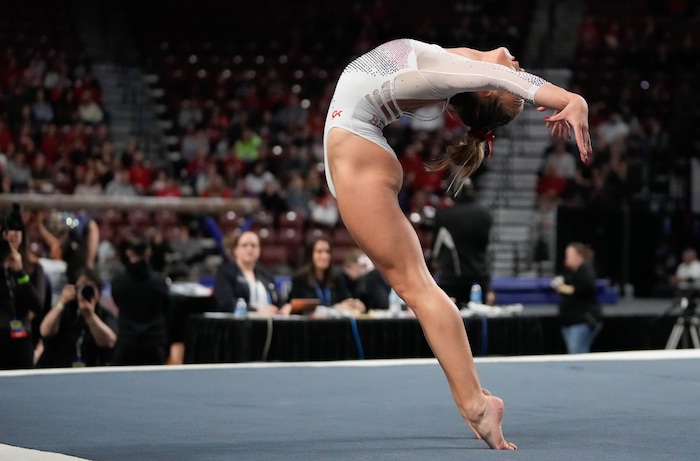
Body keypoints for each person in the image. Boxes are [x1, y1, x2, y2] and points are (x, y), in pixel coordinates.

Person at [323, 38, 593, 449]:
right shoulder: (453, 68)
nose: (516, 64)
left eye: (511, 79)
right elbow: (492, 71)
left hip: (356, 151)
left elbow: (500, 75)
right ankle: (473, 397)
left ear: (486, 90)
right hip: (356, 147)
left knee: (417, 288)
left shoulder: (450, 71)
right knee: (417, 287)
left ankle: (475, 404)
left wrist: (571, 98)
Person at [431, 178, 495, 305]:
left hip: (452, 280)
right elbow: (486, 243)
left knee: (451, 321)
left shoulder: (445, 216)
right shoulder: (485, 213)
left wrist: (435, 261)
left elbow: (436, 250)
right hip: (479, 277)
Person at [38, 267, 117, 368]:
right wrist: (61, 302)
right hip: (60, 367)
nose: (86, 291)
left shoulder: (104, 315)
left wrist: (90, 315)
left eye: (91, 287)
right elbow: (45, 331)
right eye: (82, 286)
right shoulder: (64, 310)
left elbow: (110, 341)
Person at [110, 235, 170, 366]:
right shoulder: (160, 282)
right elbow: (166, 306)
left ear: (128, 252)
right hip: (154, 342)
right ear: (149, 252)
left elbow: (117, 301)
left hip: (127, 340)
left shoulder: (118, 282)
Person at [0, 209, 43, 369]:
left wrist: (20, 273)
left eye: (18, 229)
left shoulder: (34, 268)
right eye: (9, 229)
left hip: (22, 336)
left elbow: (38, 305)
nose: (14, 234)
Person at [285, 235, 365, 314]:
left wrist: (353, 303)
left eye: (327, 252)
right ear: (310, 255)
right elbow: (306, 307)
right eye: (319, 252)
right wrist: (336, 308)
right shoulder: (300, 279)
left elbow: (346, 298)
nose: (325, 256)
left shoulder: (337, 278)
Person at [213, 230, 285, 315]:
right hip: (238, 324)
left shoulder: (265, 274)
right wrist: (256, 311)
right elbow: (226, 303)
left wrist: (285, 307)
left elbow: (278, 300)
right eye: (244, 245)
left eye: (254, 245)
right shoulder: (225, 273)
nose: (250, 249)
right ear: (235, 249)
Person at [551, 242, 603, 354]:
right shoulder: (572, 272)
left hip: (581, 321)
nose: (567, 258)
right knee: (575, 352)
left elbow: (586, 287)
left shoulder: (586, 269)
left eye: (569, 255)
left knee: (577, 352)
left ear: (578, 256)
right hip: (571, 320)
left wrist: (564, 288)